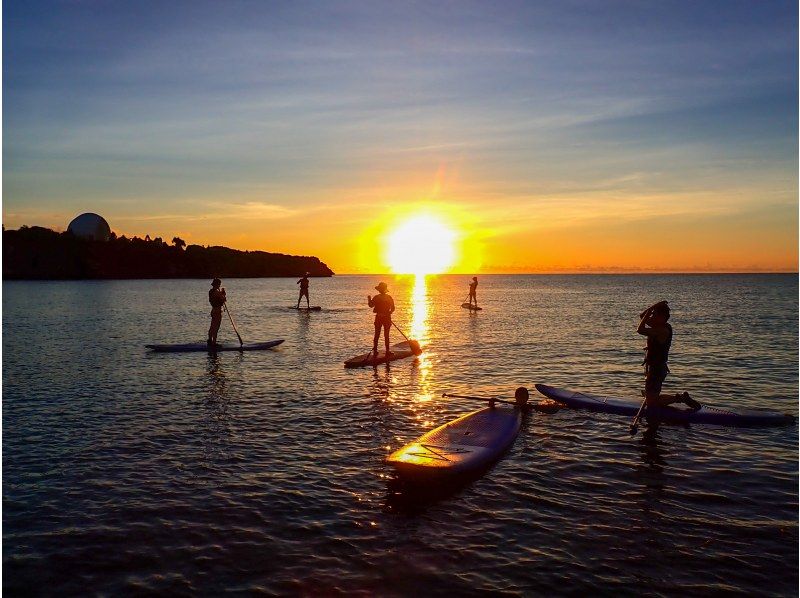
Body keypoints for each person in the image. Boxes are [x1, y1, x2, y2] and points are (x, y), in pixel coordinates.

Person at [637, 301, 700, 410]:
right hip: (654, 367)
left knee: (652, 404)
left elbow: (640, 330)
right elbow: (642, 316)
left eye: (654, 314)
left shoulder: (662, 330)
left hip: (657, 369)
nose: (651, 316)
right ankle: (655, 397)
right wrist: (655, 305)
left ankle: (681, 399)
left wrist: (654, 308)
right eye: (652, 314)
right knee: (652, 399)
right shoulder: (658, 325)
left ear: (661, 317)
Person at [368, 282, 395, 357]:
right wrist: (389, 313)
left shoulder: (377, 297)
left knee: (377, 334)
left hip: (380, 318)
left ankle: (376, 351)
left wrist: (369, 299)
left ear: (379, 290)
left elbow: (370, 305)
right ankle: (387, 351)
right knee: (386, 335)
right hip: (386, 318)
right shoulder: (389, 297)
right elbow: (393, 308)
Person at [208, 278, 226, 346]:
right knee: (216, 327)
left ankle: (210, 340)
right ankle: (214, 343)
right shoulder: (216, 292)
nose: (219, 285)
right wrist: (223, 293)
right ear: (217, 284)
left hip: (213, 310)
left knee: (212, 326)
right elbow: (223, 299)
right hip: (217, 311)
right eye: (219, 284)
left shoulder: (211, 291)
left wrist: (221, 293)